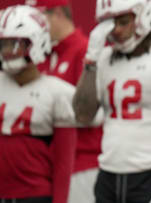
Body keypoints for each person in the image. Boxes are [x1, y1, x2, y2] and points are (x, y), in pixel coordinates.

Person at [72, 0, 151, 202]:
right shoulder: (102, 60)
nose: (116, 31)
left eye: (123, 22)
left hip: (150, 175)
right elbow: (82, 116)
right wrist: (91, 60)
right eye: (110, 25)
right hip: (107, 175)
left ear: (143, 16)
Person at [24, 1, 103, 202]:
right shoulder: (42, 55)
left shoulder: (85, 50)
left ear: (58, 13)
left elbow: (94, 114)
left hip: (83, 166)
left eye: (38, 19)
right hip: (48, 168)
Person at [0, 5, 76, 203]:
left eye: (15, 44)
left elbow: (63, 164)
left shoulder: (58, 92)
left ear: (37, 42)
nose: (8, 51)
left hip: (35, 195)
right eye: (3, 44)